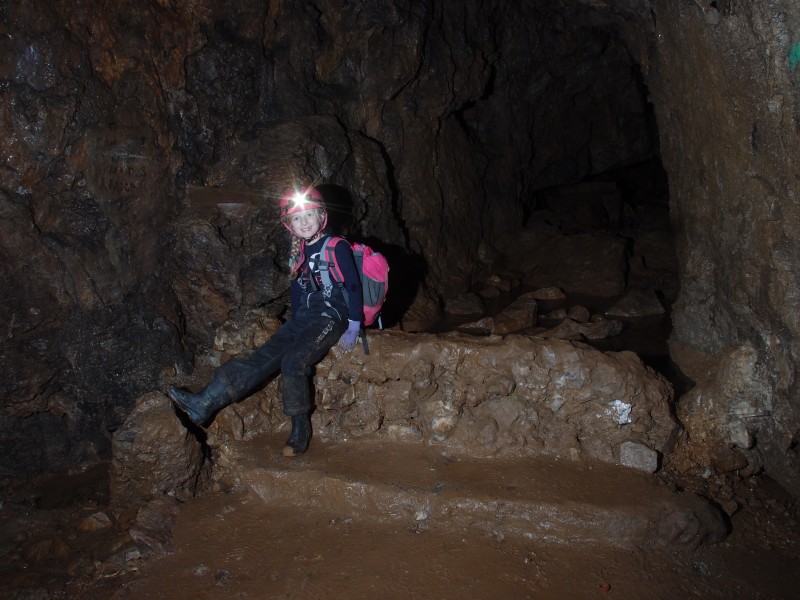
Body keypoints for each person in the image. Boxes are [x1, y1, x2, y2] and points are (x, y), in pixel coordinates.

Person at [168, 185, 363, 457]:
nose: (304, 222)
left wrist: (354, 323)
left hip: (331, 315)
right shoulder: (299, 253)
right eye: (297, 218)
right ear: (290, 225)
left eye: (309, 215)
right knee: (261, 356)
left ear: (322, 217)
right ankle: (204, 403)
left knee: (293, 361)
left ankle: (299, 428)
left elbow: (353, 285)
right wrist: (293, 326)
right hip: (305, 317)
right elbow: (298, 292)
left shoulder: (336, 246)